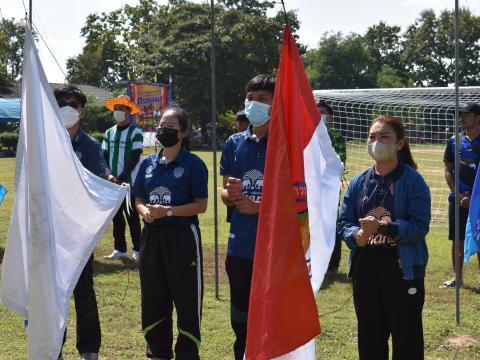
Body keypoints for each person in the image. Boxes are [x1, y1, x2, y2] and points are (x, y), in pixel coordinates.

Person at [337, 115, 431, 360]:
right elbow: (344, 222)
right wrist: (353, 235)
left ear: (400, 143)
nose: (376, 142)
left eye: (384, 136)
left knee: (407, 338)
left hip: (403, 269)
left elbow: (419, 226)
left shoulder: (413, 181)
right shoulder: (358, 182)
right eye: (372, 137)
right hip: (365, 268)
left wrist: (385, 228)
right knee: (370, 337)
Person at [133, 107, 208, 360]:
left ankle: (187, 353)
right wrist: (145, 211)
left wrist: (168, 211)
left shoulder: (193, 164)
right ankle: (157, 351)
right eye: (161, 125)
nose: (163, 130)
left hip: (182, 238)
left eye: (170, 126)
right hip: (152, 239)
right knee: (154, 297)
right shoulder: (147, 164)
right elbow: (139, 198)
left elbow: (201, 205)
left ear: (183, 132)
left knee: (186, 299)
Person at [220, 74, 275, 360]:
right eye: (251, 99)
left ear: (276, 105)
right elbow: (224, 191)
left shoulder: (285, 143)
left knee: (269, 316)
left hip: (274, 247)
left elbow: (298, 198)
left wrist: (261, 206)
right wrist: (233, 196)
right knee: (239, 315)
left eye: (263, 100)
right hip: (239, 243)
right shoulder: (233, 142)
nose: (254, 105)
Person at [54, 85, 106, 360]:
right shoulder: (47, 144)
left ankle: (89, 349)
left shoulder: (90, 146)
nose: (67, 108)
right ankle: (55, 347)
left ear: (82, 110)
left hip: (79, 233)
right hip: (51, 231)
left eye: (72, 104)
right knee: (54, 294)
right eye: (61, 103)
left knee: (83, 291)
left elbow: (98, 189)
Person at [440, 102, 480, 290]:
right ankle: (458, 278)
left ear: (478, 118)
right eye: (460, 114)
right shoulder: (454, 140)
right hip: (457, 199)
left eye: (467, 114)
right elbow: (448, 170)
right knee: (457, 238)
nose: (462, 118)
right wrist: (457, 193)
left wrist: (473, 197)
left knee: (479, 237)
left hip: (478, 200)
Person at [102, 95, 143, 263]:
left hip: (129, 182)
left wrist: (121, 177)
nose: (118, 111)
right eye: (116, 108)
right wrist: (108, 174)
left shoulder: (136, 132)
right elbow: (103, 156)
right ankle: (119, 249)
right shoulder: (108, 132)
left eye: (122, 108)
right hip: (112, 182)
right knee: (116, 217)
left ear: (129, 112)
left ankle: (138, 250)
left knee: (132, 216)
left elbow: (135, 157)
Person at [317, 100, 346, 275]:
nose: (319, 115)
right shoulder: (307, 135)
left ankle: (332, 265)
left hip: (329, 188)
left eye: (322, 112)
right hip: (309, 188)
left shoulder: (336, 136)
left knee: (332, 225)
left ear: (330, 116)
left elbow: (339, 163)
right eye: (316, 112)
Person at [226, 110, 250, 223]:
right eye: (240, 123)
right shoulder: (232, 141)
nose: (243, 126)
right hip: (235, 194)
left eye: (246, 123)